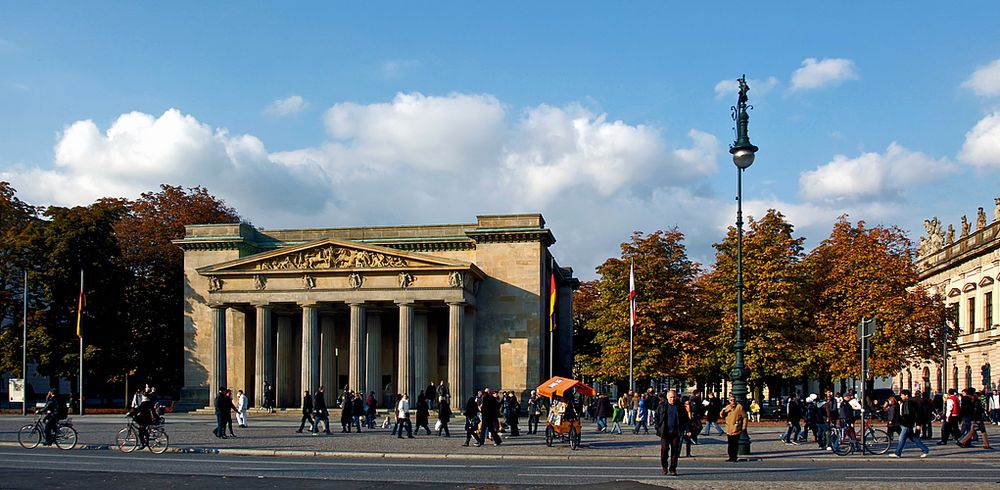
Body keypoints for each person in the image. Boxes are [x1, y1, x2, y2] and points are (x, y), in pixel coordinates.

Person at [654, 389, 688, 476]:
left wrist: (687, 430)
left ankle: (673, 468)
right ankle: (664, 466)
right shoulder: (662, 406)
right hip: (665, 432)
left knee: (675, 452)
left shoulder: (679, 406)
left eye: (674, 397)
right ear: (667, 397)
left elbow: (685, 419)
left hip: (676, 432)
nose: (672, 399)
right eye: (671, 397)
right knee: (664, 451)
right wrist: (657, 428)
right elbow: (656, 417)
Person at [891, 389, 930, 458]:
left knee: (901, 438)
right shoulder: (907, 402)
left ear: (906, 395)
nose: (901, 396)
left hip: (907, 423)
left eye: (902, 395)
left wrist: (917, 423)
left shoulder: (909, 403)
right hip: (908, 423)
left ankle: (898, 453)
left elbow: (912, 414)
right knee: (914, 438)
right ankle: (925, 450)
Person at [721, 394, 748, 462]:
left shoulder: (739, 407)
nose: (732, 401)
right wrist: (724, 411)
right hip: (729, 428)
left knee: (734, 444)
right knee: (730, 444)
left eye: (734, 400)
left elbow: (744, 417)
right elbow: (721, 415)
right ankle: (730, 456)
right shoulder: (727, 407)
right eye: (731, 400)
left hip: (736, 428)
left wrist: (744, 427)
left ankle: (734, 457)